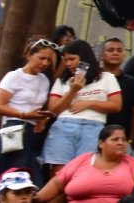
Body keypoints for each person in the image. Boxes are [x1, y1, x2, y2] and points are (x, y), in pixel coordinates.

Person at [41, 40, 122, 173]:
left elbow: (116, 105)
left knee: (85, 171)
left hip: (94, 127)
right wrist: (73, 90)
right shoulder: (62, 81)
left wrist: (89, 103)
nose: (68, 64)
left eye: (72, 59)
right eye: (66, 60)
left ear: (84, 58)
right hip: (64, 126)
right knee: (59, 172)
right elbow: (53, 109)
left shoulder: (106, 78)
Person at [0, 37, 55, 185]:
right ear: (29, 55)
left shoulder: (44, 80)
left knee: (35, 181)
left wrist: (42, 119)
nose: (45, 63)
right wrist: (24, 114)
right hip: (14, 129)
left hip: (33, 132)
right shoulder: (14, 76)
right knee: (15, 179)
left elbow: (41, 106)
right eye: (41, 58)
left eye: (48, 60)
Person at [34, 124, 134, 202]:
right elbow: (57, 184)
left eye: (123, 140)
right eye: (115, 139)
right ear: (101, 143)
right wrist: (35, 198)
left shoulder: (133, 164)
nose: (121, 143)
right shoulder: (82, 160)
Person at [99, 39, 134, 153]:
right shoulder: (94, 79)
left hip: (122, 141)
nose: (115, 53)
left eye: (119, 50)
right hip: (94, 136)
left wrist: (131, 140)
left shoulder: (132, 82)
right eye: (110, 50)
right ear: (102, 55)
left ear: (123, 55)